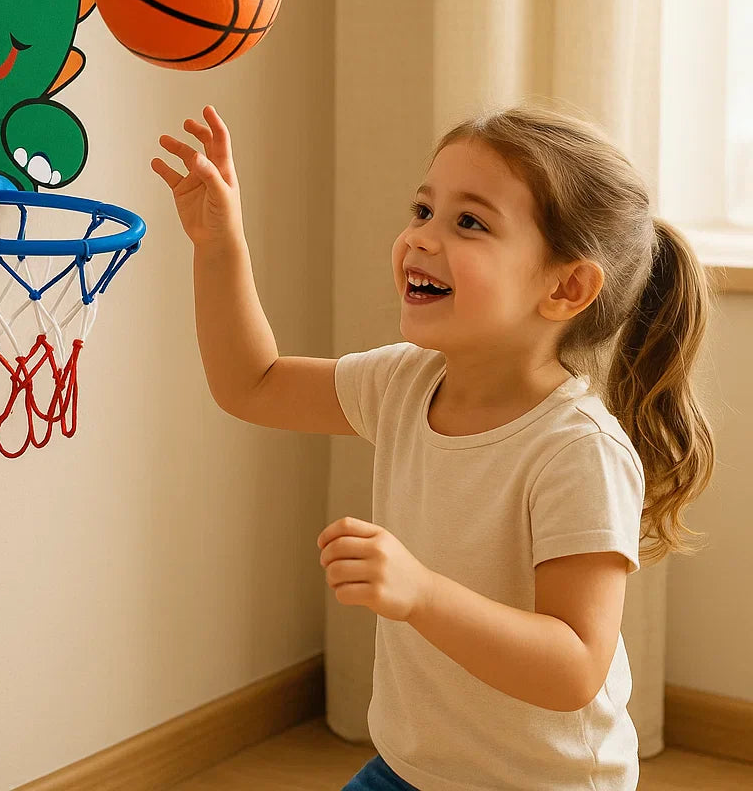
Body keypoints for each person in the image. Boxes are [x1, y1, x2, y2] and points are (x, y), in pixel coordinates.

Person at [150, 99, 716, 791]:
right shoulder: (404, 382)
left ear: (567, 287)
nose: (420, 238)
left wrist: (421, 593)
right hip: (412, 769)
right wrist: (219, 246)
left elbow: (574, 667)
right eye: (423, 210)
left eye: (469, 222)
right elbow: (253, 384)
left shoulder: (577, 451)